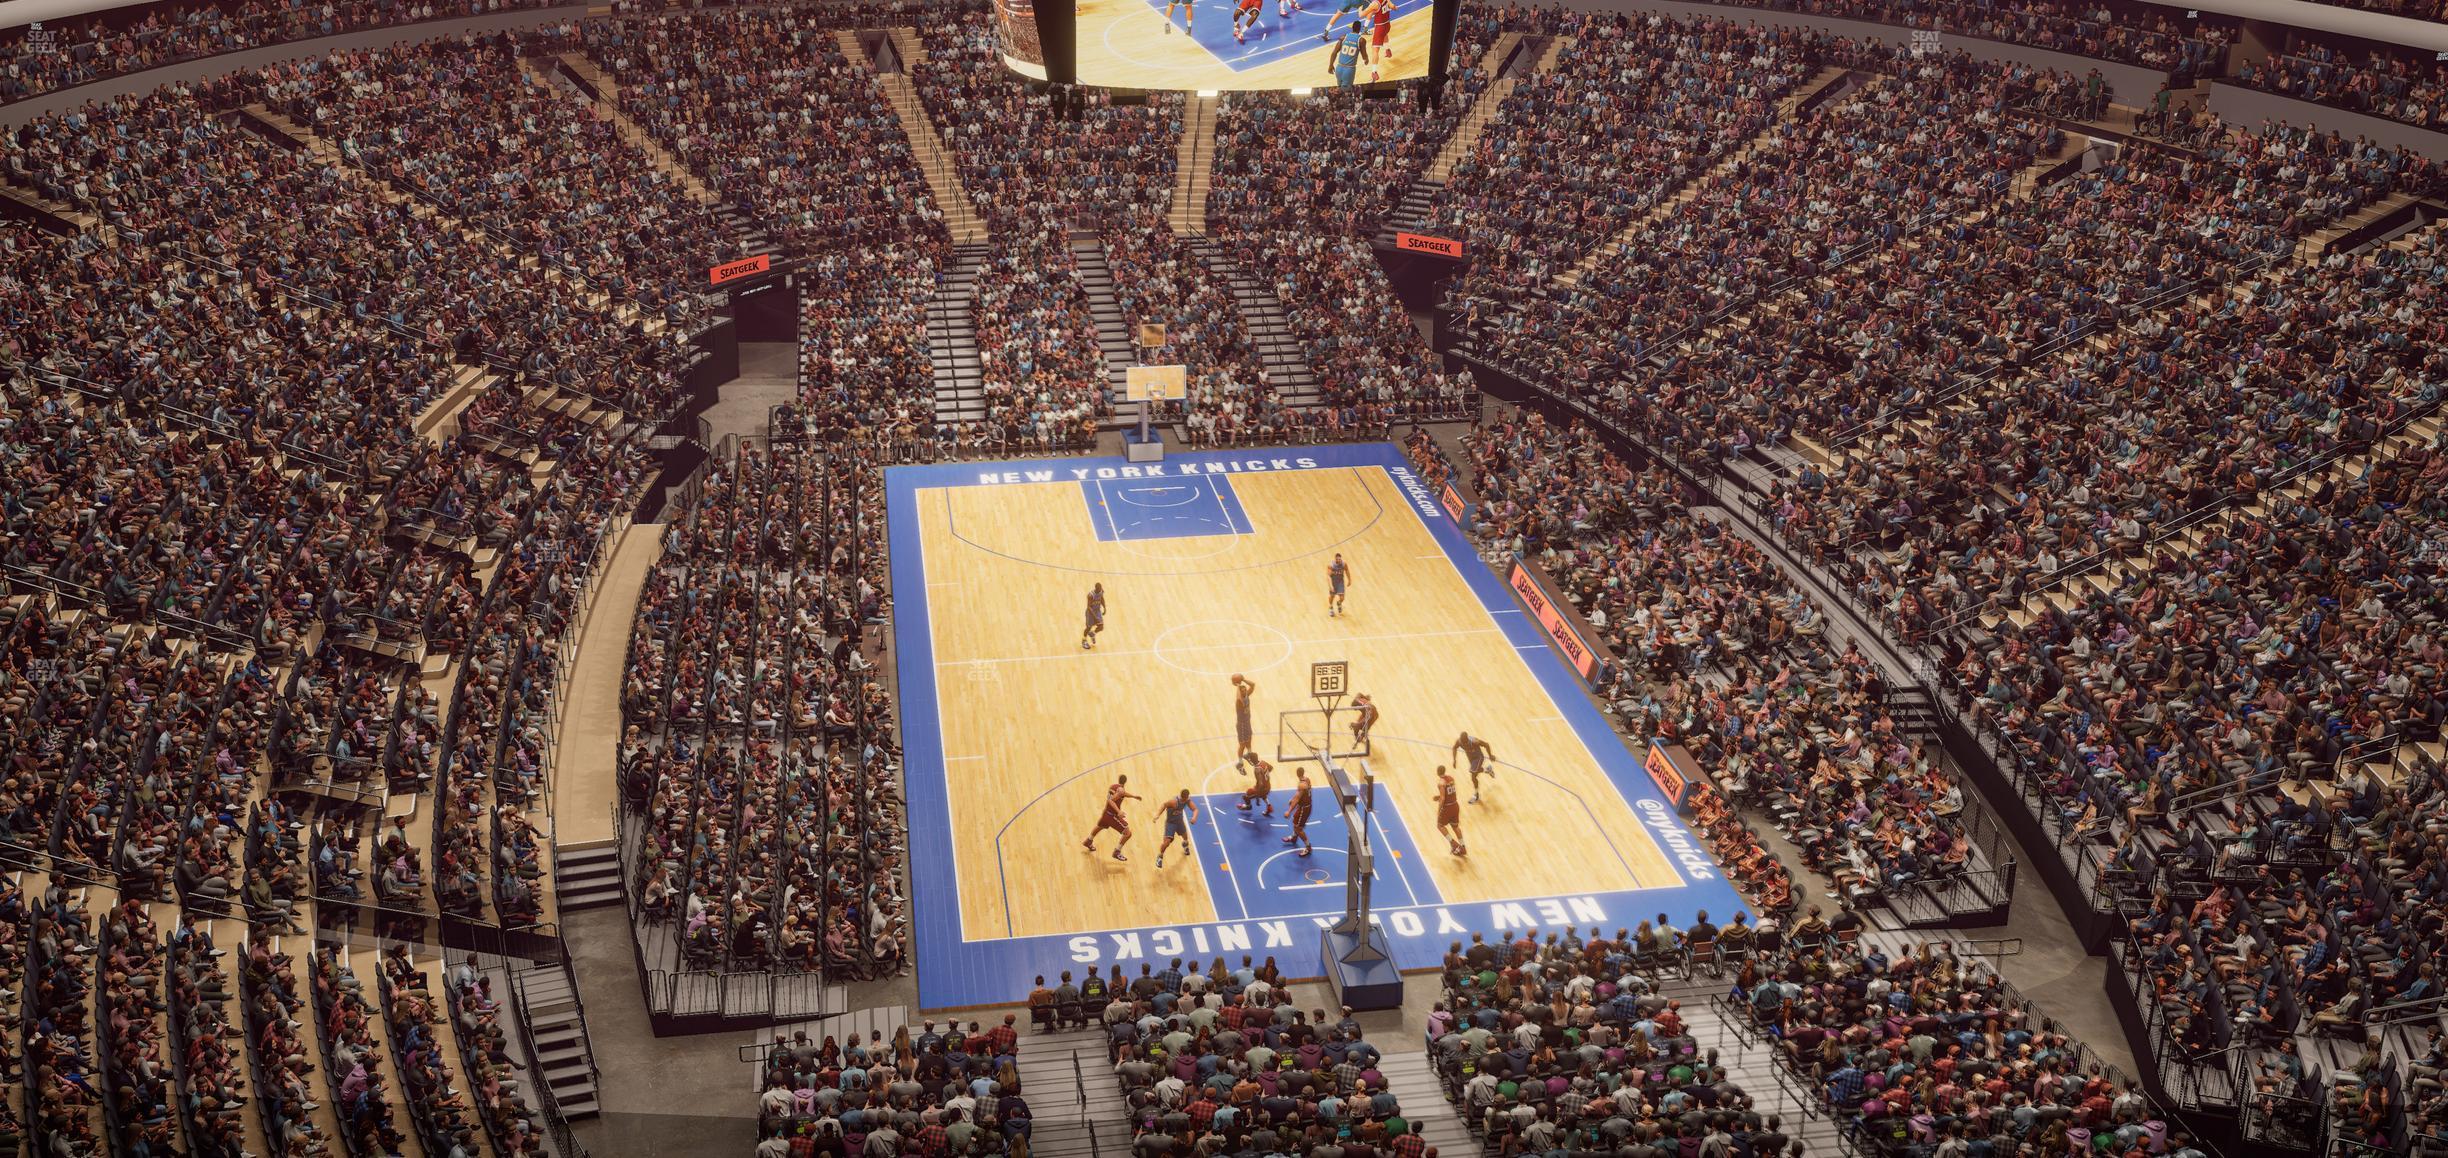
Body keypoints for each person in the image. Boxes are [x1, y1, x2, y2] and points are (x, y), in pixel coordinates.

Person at [1084, 776, 1142, 861]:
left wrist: (1133, 796)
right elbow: (1111, 800)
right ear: (1125, 782)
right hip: (1112, 816)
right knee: (1127, 833)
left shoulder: (1113, 786)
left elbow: (1122, 794)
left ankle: (1088, 841)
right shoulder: (1121, 790)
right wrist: (1119, 812)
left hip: (1106, 813)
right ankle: (1117, 852)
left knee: (1100, 826)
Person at [1156, 789, 1199, 869]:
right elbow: (1164, 805)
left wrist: (1194, 817)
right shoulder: (1174, 802)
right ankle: (1160, 857)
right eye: (1187, 797)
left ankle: (1185, 846)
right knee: (1167, 842)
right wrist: (1158, 815)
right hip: (1170, 824)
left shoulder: (1187, 801)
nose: (1188, 798)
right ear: (1185, 797)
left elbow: (1195, 809)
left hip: (1179, 822)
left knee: (1185, 838)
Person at [1451, 731, 1495, 803]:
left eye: (1464, 742)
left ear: (1467, 740)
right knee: (1474, 772)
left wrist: (1490, 755)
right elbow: (1454, 748)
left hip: (1478, 757)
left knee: (1473, 775)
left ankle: (1476, 795)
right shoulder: (1459, 741)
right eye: (1462, 742)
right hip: (1471, 759)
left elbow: (1486, 744)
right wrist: (1454, 760)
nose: (1463, 744)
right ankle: (1488, 770)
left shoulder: (1474, 741)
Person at [1326, 19, 1371, 88]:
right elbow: (1364, 55)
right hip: (1349, 70)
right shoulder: (1361, 40)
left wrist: (1330, 65)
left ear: (1352, 28)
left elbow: (1334, 53)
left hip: (1339, 68)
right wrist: (1366, 60)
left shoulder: (1343, 37)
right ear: (1360, 29)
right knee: (1346, 90)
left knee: (1339, 87)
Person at [1282, 768, 1315, 856]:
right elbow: (1299, 795)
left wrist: (1289, 811)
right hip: (1303, 807)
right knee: (1295, 822)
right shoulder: (1306, 779)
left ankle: (1308, 847)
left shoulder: (1301, 785)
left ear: (1297, 774)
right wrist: (1292, 799)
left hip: (1304, 809)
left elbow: (1297, 798)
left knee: (1298, 828)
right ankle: (1294, 837)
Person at [1434, 767, 1464, 857]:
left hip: (1447, 807)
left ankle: (1453, 844)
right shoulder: (1451, 779)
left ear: (1437, 772)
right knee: (1455, 827)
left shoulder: (1440, 783)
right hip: (1455, 805)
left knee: (1440, 825)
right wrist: (1438, 797)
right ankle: (1463, 846)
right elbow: (1449, 793)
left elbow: (1443, 798)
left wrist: (1438, 810)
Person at [1239, 752, 1275, 817]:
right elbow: (1271, 768)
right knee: (1262, 795)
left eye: (1249, 759)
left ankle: (1248, 806)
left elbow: (1261, 784)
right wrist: (1265, 775)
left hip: (1262, 788)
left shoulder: (1257, 769)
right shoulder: (1263, 762)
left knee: (1247, 795)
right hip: (1268, 785)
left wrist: (1257, 798)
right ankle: (1269, 807)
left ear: (1251, 760)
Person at [1232, 674, 1256, 757]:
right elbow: (1238, 697)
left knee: (1249, 739)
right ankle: (1240, 763)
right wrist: (1238, 686)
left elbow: (1253, 685)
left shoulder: (1246, 696)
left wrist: (1243, 679)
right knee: (1242, 745)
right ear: (1240, 692)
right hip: (1241, 725)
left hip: (1247, 722)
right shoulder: (1239, 701)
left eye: (1245, 690)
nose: (1245, 691)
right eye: (1243, 691)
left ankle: (1249, 754)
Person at [1082, 582, 1107, 650]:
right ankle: (1084, 640)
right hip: (1090, 612)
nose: (1100, 589)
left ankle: (1092, 633)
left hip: (1097, 611)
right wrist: (1095, 617)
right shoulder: (1091, 595)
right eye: (1099, 589)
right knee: (1088, 628)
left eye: (1101, 588)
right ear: (1096, 588)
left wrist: (1104, 607)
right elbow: (1089, 607)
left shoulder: (1101, 591)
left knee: (1101, 626)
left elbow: (1102, 598)